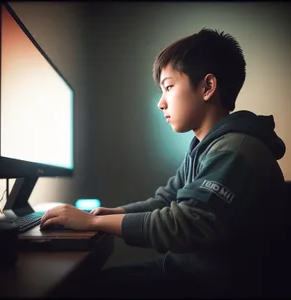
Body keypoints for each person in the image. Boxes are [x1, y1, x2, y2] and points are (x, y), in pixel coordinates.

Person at [40, 28, 288, 298]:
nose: (161, 103)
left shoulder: (236, 150)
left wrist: (92, 225)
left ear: (207, 87)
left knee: (75, 290)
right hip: (187, 271)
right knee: (84, 284)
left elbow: (182, 225)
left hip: (212, 285)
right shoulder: (204, 148)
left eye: (169, 87)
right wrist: (107, 213)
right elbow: (167, 200)